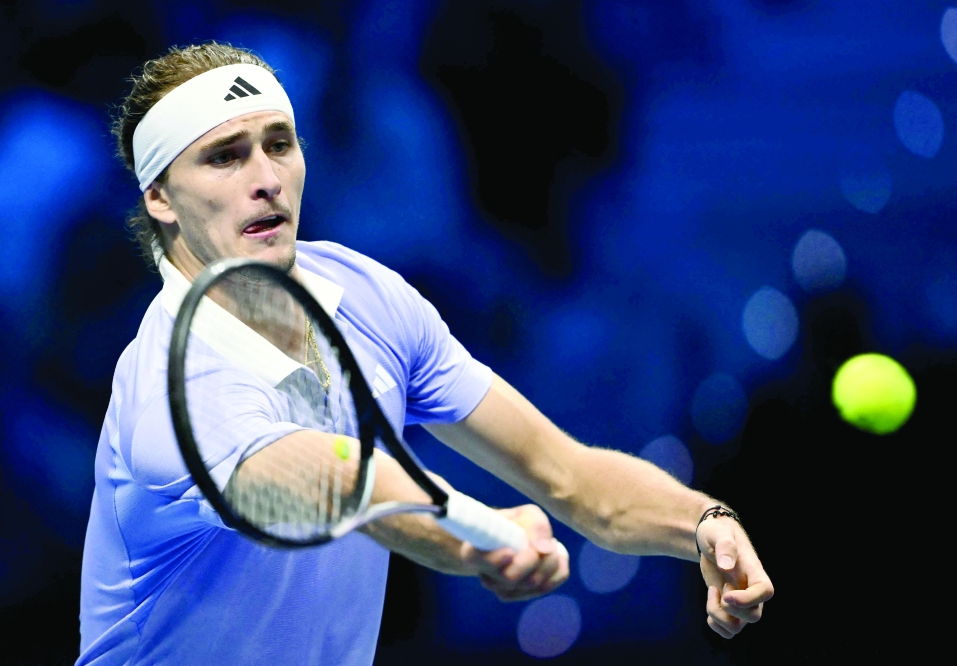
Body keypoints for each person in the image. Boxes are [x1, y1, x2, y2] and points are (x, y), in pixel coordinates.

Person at [78, 42, 773, 665]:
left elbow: (569, 475)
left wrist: (705, 524)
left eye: (279, 143)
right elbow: (337, 481)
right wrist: (477, 537)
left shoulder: (369, 296)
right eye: (225, 156)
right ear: (161, 198)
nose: (266, 177)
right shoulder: (172, 376)